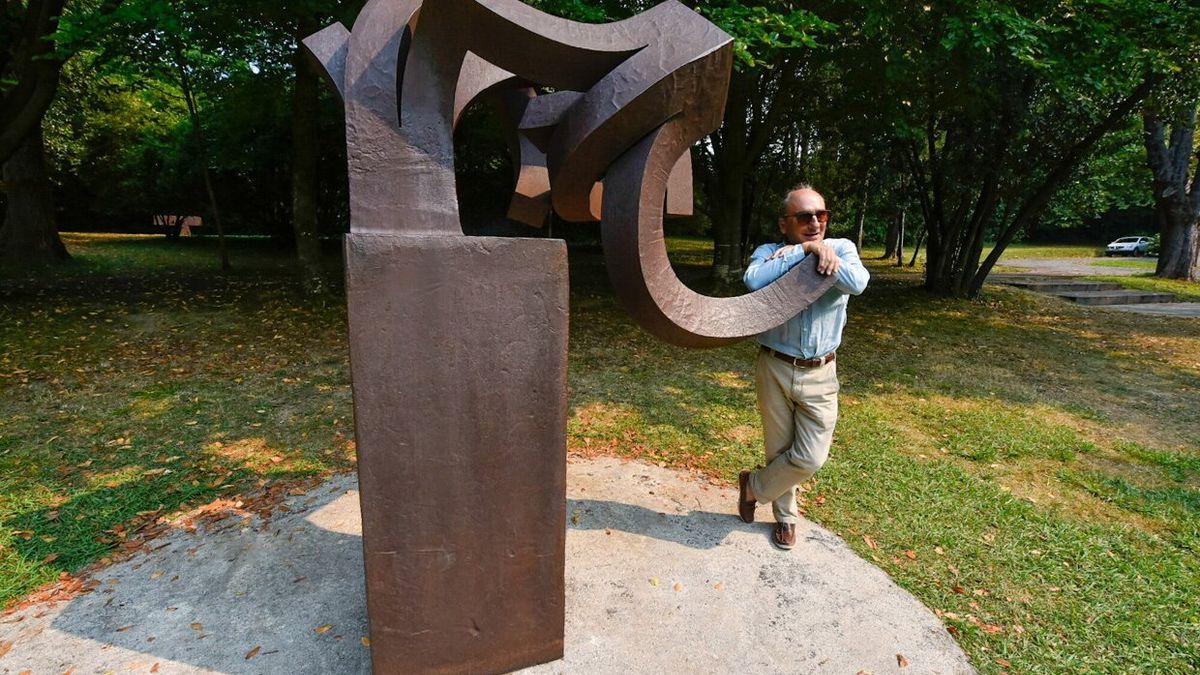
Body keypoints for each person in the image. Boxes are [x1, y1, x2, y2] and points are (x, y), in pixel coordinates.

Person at [736, 184, 870, 551]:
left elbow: (858, 283)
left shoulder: (842, 248)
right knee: (778, 450)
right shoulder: (769, 252)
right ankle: (786, 518)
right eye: (804, 217)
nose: (815, 222)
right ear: (785, 223)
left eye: (821, 215)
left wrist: (824, 255)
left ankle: (753, 487)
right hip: (774, 365)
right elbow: (752, 280)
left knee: (810, 456)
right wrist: (805, 251)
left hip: (821, 372)